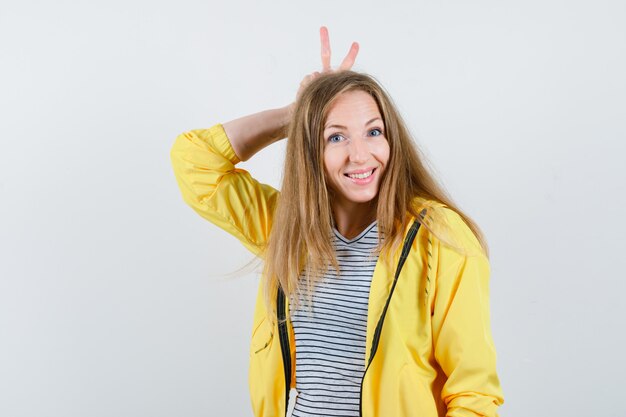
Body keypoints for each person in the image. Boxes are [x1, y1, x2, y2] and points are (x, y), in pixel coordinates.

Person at [170, 26, 504, 417]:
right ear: (310, 148)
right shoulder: (287, 231)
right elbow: (196, 162)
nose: (360, 155)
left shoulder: (439, 238)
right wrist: (296, 115)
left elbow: (473, 398)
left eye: (373, 132)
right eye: (336, 137)